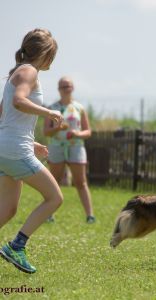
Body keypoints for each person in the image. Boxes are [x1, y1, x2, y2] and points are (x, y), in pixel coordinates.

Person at [0, 28, 63, 274]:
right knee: (55, 198)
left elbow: (5, 112)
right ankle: (17, 246)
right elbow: (18, 101)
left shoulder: (17, 72)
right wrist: (50, 112)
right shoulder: (28, 71)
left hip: (8, 147)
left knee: (7, 208)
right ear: (46, 53)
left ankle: (16, 245)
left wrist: (29, 140)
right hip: (15, 150)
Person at [44, 77, 95, 224]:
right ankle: (48, 214)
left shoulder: (79, 108)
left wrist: (77, 134)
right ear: (59, 89)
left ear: (72, 88)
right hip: (56, 147)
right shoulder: (51, 108)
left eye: (68, 86)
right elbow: (46, 131)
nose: (66, 89)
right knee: (54, 182)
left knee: (81, 182)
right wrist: (58, 128)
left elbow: (88, 131)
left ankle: (90, 215)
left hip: (76, 147)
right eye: (63, 86)